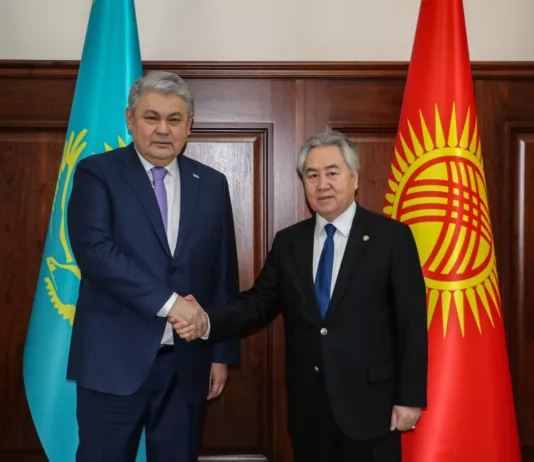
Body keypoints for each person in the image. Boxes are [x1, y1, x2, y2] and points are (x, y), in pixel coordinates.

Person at [172, 132, 428, 462]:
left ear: (354, 178)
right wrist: (206, 319)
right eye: (312, 175)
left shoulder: (391, 237)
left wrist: (409, 398)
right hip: (310, 411)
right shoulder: (289, 242)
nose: (323, 184)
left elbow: (411, 323)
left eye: (332, 173)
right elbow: (257, 303)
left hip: (372, 408)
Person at [66, 71, 240, 462]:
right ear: (130, 119)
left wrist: (221, 354)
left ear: (189, 125)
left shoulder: (212, 183)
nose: (163, 129)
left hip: (187, 365)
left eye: (174, 119)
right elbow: (96, 254)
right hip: (112, 363)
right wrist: (171, 303)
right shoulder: (97, 172)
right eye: (151, 117)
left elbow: (223, 273)